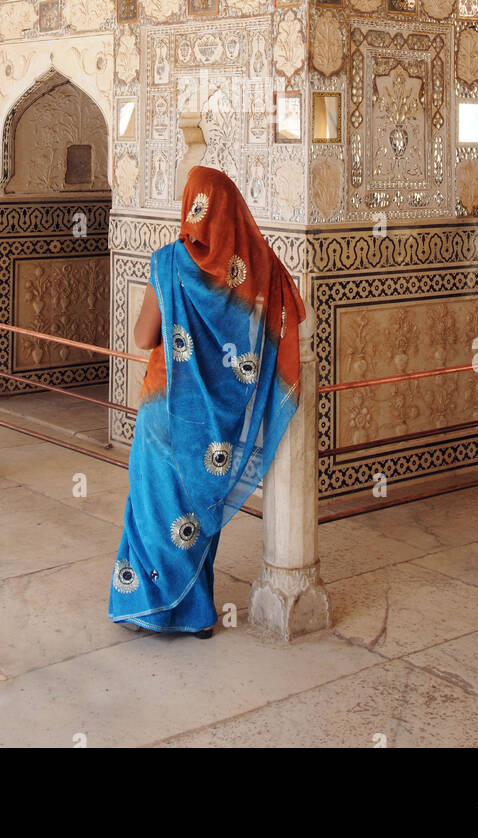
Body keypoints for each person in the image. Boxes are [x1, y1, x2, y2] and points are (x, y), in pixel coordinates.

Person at [108, 164, 307, 637]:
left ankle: (148, 608)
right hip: (215, 426)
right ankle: (196, 616)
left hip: (163, 412)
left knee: (153, 506)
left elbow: (142, 336)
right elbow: (292, 318)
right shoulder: (261, 269)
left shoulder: (167, 262)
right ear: (233, 210)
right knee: (196, 511)